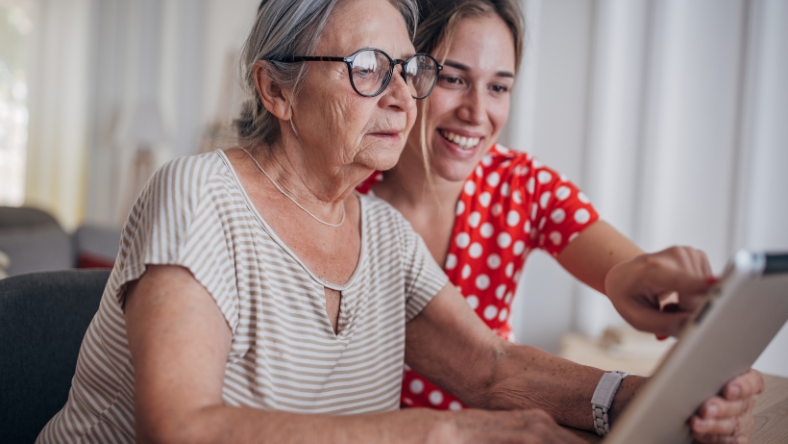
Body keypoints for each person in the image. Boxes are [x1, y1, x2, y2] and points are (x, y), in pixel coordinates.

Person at [37, 0, 760, 443]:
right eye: (364, 66)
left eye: (407, 69)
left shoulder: (381, 234)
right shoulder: (198, 194)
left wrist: (645, 401)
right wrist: (436, 432)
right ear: (275, 89)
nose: (399, 97)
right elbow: (181, 430)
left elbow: (492, 367)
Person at [359, 0, 764, 441]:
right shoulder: (345, 197)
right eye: (454, 79)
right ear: (405, 73)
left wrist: (665, 294)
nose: (477, 113)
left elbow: (630, 271)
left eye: (498, 87)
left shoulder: (521, 184)